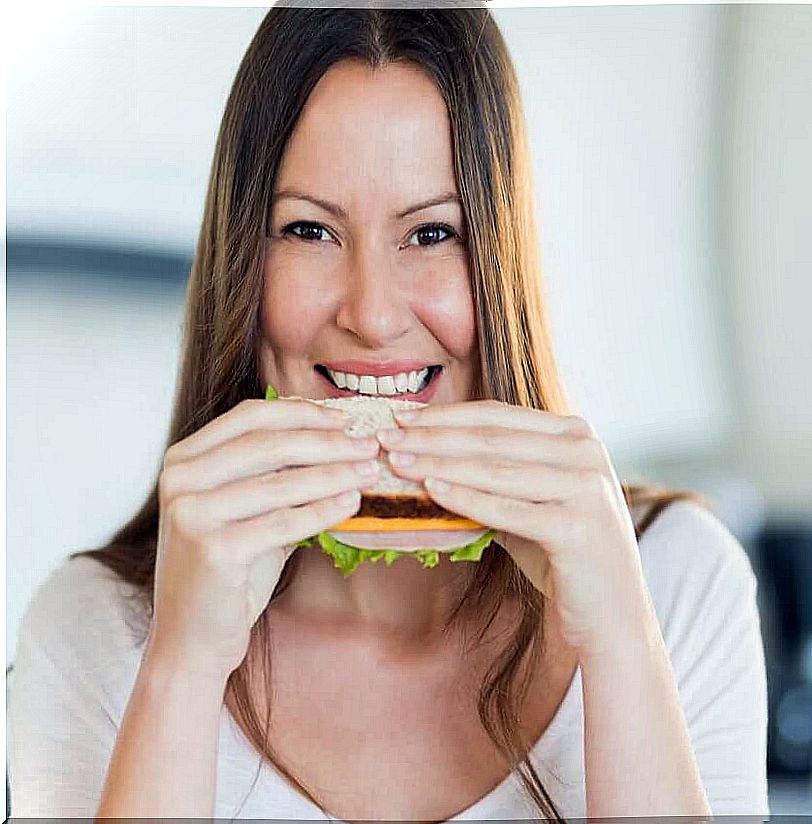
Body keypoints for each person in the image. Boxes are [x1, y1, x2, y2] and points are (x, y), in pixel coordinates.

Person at [8, 5, 769, 820]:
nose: (372, 315)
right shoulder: (92, 631)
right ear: (242, 269)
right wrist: (182, 667)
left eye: (432, 233)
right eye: (308, 229)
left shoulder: (678, 582)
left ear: (501, 263)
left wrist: (621, 645)